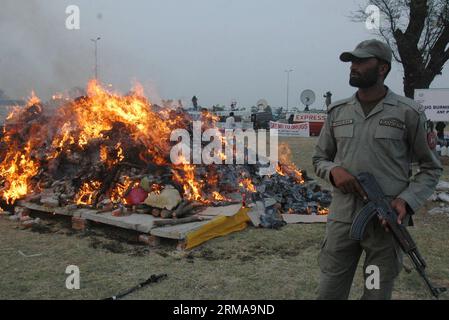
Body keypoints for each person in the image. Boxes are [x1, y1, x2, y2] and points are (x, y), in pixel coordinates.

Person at [312, 39, 442, 300]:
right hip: (343, 220)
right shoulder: (338, 112)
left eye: (361, 61)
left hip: (385, 226)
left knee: (375, 293)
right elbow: (319, 159)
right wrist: (334, 171)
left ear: (382, 68)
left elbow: (430, 168)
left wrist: (406, 201)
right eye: (352, 62)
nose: (353, 67)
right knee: (329, 293)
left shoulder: (408, 112)